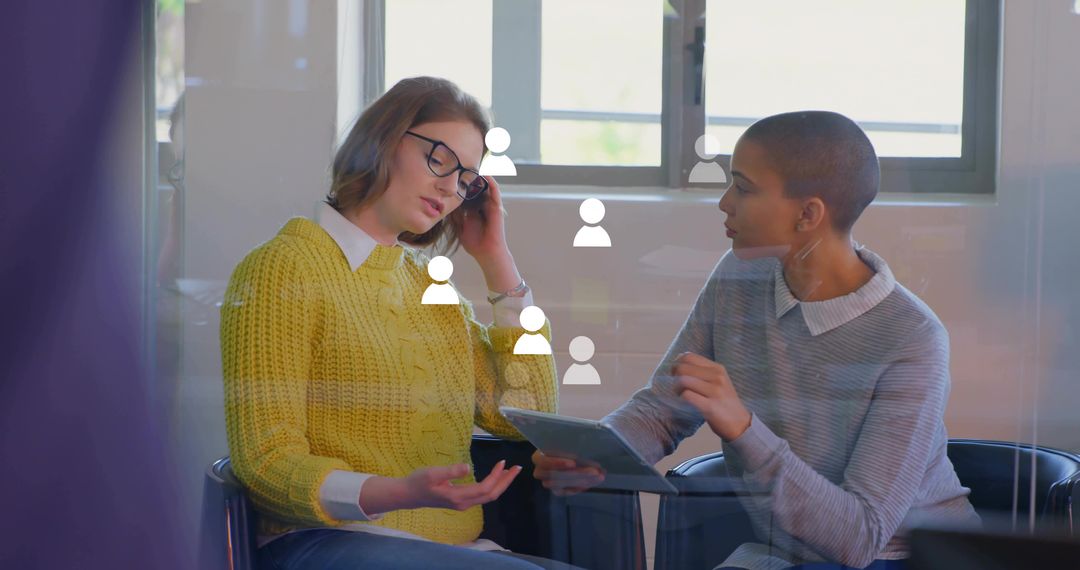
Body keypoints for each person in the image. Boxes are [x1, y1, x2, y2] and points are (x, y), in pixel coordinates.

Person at [533, 111, 981, 569]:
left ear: (808, 214)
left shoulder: (912, 338)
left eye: (743, 189)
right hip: (786, 554)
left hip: (903, 559)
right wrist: (596, 454)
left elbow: (859, 540)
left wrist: (743, 428)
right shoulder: (740, 275)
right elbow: (662, 411)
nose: (724, 203)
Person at [220, 76, 570, 569]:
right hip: (327, 542)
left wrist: (497, 261)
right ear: (383, 139)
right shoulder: (282, 268)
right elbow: (265, 463)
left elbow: (528, 412)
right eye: (440, 159)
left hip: (448, 551)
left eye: (466, 179)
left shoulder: (430, 285)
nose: (450, 188)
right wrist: (397, 492)